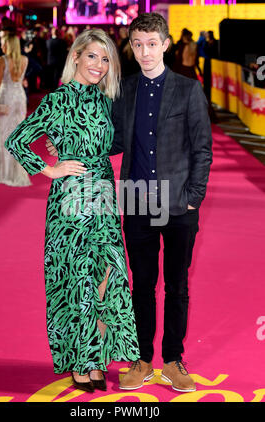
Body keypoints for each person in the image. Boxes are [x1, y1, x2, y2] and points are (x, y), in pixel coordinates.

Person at [47, 13, 212, 393]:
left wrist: (192, 198)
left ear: (166, 45)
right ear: (132, 46)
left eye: (152, 44)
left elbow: (202, 149)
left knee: (177, 287)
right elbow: (112, 143)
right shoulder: (125, 90)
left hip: (178, 205)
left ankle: (172, 359)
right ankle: (141, 360)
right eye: (137, 45)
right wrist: (66, 148)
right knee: (140, 285)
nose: (145, 52)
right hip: (137, 202)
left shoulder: (188, 90)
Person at [4, 28, 140, 393]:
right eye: (92, 56)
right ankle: (83, 362)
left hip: (104, 195)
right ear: (77, 56)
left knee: (107, 275)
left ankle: (97, 357)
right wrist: (51, 168)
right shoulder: (58, 100)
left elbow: (109, 144)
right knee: (78, 278)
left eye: (105, 58)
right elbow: (15, 140)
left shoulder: (104, 99)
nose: (98, 64)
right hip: (72, 199)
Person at [0, 34, 31, 187]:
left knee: (4, 135)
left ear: (9, 45)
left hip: (6, 97)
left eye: (3, 43)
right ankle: (16, 171)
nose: (1, 46)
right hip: (20, 98)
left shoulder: (2, 60)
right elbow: (21, 79)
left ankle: (6, 172)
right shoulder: (25, 60)